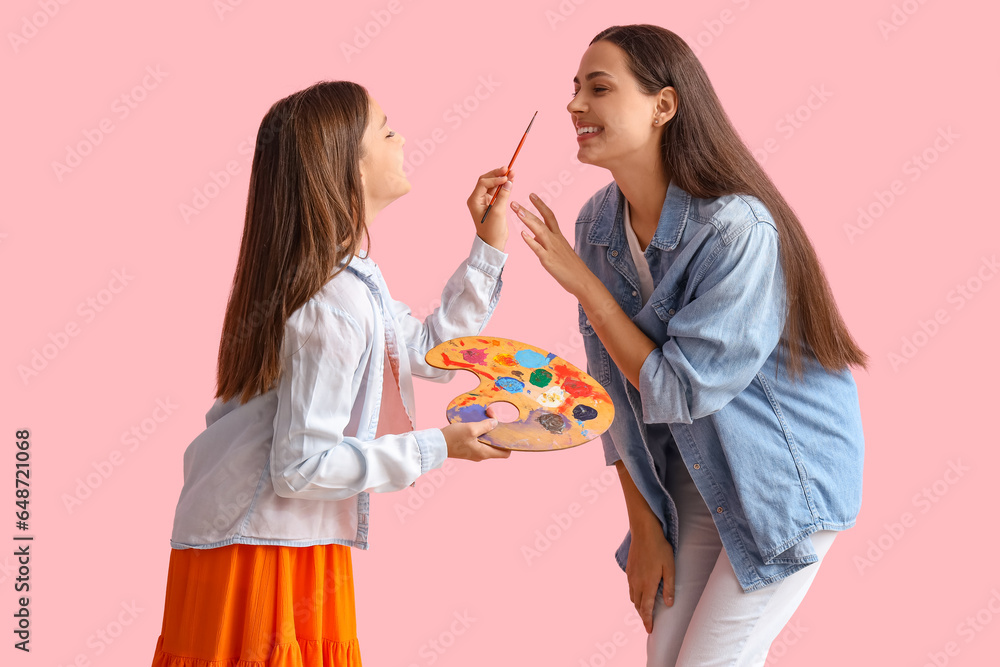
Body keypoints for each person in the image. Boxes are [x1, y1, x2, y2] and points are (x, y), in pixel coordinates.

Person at [511, 25, 867, 666]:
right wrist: (645, 525)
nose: (573, 106)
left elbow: (676, 389)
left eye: (599, 88)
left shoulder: (736, 230)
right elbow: (607, 394)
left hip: (780, 480)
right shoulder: (596, 223)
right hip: (690, 479)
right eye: (573, 89)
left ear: (663, 106)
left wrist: (585, 286)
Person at [149, 80, 515, 667]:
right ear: (345, 165)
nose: (403, 140)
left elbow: (432, 352)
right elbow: (301, 469)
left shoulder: (348, 279)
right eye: (387, 129)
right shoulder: (332, 300)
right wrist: (436, 447)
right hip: (263, 545)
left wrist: (487, 246)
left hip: (278, 534)